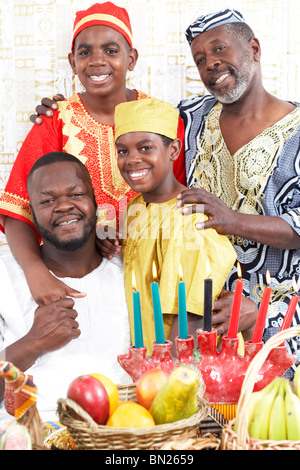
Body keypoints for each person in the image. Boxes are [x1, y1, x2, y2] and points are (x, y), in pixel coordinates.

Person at [0, 2, 186, 308]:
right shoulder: (55, 120)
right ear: (72, 62)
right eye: (85, 52)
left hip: (155, 274)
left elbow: (178, 202)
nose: (97, 61)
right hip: (76, 274)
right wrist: (35, 272)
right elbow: (17, 208)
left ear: (132, 58)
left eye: (111, 50)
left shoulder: (162, 120)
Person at [175, 9, 300, 377]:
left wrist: (233, 221)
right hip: (206, 319)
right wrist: (60, 111)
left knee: (269, 425)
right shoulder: (190, 119)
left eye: (219, 50)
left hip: (280, 315)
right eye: (200, 59)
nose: (211, 64)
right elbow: (134, 127)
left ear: (254, 49)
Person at [111, 97, 257, 354]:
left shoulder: (190, 217)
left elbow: (189, 324)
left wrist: (169, 381)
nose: (132, 159)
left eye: (145, 148)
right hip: (144, 359)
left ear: (174, 150)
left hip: (179, 370)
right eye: (123, 150)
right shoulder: (134, 207)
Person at [0, 151, 131, 423]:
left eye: (75, 195)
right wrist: (32, 343)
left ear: (95, 202)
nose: (63, 206)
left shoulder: (131, 269)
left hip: (122, 433)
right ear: (31, 214)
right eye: (47, 200)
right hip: (31, 435)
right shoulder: (5, 274)